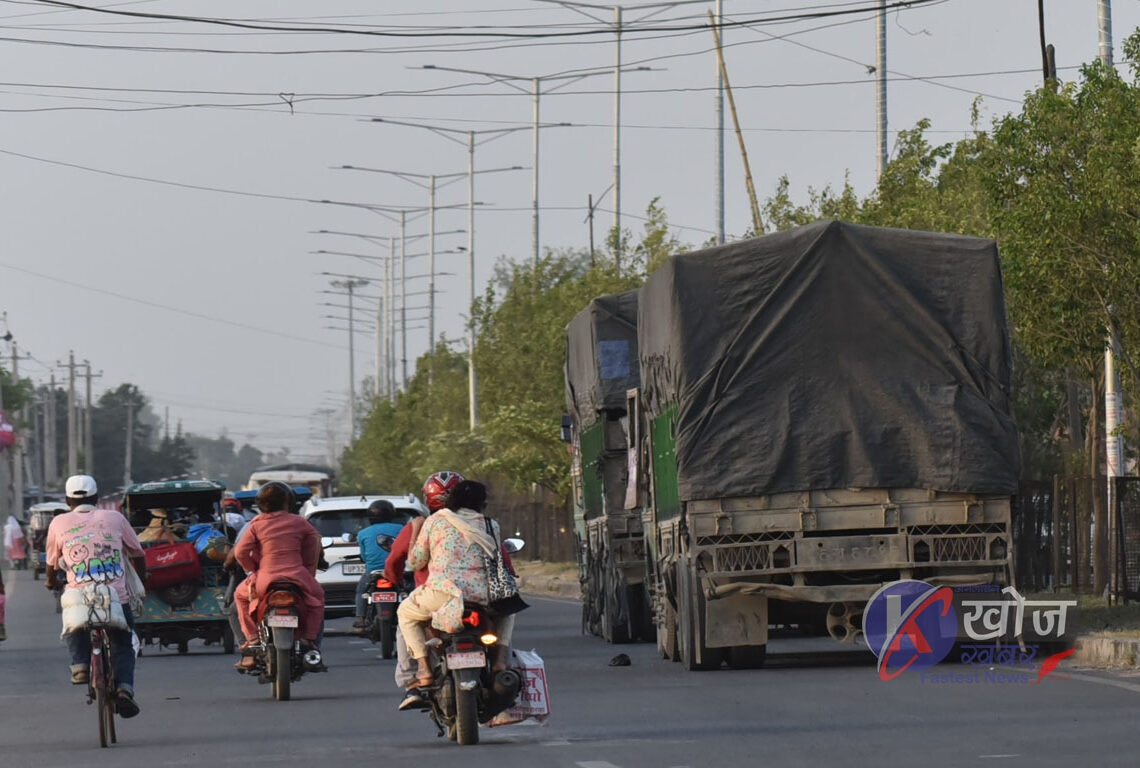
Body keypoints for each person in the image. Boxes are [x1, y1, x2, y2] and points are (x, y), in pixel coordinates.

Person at [396, 480, 516, 700]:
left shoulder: (434, 522)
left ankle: (423, 668)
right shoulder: (491, 525)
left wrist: (415, 533)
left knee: (405, 613)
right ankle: (500, 660)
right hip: (483, 595)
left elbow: (415, 563)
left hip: (443, 594)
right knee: (508, 608)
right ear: (482, 503)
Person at [45, 475, 146, 718]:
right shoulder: (114, 518)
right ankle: (124, 689)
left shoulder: (58, 523)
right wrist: (143, 580)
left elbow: (51, 562)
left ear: (68, 500)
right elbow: (138, 553)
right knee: (123, 642)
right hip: (116, 596)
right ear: (97, 498)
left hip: (79, 595)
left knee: (74, 623)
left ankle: (80, 666)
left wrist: (51, 581)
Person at [385, 470, 464, 705]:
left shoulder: (422, 526)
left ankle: (414, 681)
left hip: (434, 598)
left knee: (405, 623)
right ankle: (502, 667)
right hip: (477, 596)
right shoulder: (479, 523)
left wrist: (392, 578)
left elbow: (400, 560)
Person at [232, 481, 324, 670]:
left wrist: (251, 571)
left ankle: (252, 641)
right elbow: (314, 545)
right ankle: (309, 641)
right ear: (288, 502)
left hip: (264, 578)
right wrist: (309, 571)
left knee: (239, 598)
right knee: (318, 599)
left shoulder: (256, 525)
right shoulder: (299, 522)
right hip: (298, 575)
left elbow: (240, 552)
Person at [352, 499, 406, 630]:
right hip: (396, 571)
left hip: (373, 572)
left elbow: (364, 556)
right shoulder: (402, 529)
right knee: (409, 590)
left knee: (361, 591)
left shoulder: (363, 533)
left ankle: (360, 618)